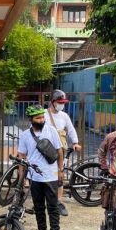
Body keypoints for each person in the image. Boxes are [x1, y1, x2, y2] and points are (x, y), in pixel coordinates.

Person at [18, 104, 65, 230]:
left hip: (50, 175)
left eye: (42, 117)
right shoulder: (25, 135)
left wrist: (60, 170)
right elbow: (22, 157)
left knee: (53, 207)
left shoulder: (51, 131)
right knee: (39, 207)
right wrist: (22, 178)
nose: (41, 119)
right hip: (34, 177)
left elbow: (59, 151)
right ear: (31, 119)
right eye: (38, 117)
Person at [44, 89, 81, 217]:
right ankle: (43, 200)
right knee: (43, 172)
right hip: (45, 149)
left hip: (60, 149)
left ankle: (59, 201)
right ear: (52, 102)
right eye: (59, 102)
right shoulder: (44, 114)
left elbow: (71, 129)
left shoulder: (64, 116)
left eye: (63, 102)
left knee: (60, 173)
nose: (62, 105)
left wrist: (75, 142)